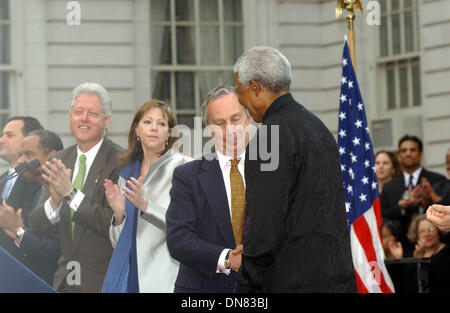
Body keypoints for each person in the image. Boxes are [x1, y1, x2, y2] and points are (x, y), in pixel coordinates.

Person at [232, 46, 357, 292]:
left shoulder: (268, 137)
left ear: (255, 87)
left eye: (239, 91)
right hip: (337, 278)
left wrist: (245, 284)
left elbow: (265, 226)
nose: (239, 99)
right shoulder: (318, 127)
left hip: (291, 281)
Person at [28, 82, 122, 292]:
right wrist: (55, 201)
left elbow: (111, 224)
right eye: (78, 112)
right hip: (65, 280)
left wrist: (70, 193)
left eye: (92, 113)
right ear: (70, 116)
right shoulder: (59, 160)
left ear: (107, 120)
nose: (84, 119)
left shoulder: (121, 160)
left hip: (103, 281)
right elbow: (36, 225)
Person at [166, 86, 251, 292]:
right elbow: (179, 239)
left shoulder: (274, 173)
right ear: (208, 128)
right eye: (220, 123)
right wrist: (227, 259)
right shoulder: (187, 177)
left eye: (235, 119)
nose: (229, 130)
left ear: (249, 120)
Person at [101, 100, 191, 293]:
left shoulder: (185, 169)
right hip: (129, 277)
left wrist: (146, 206)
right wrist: (119, 216)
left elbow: (188, 229)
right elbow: (119, 243)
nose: (154, 128)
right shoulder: (127, 173)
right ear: (136, 129)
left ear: (169, 133)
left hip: (168, 278)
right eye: (148, 122)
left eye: (161, 124)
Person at [0, 129, 63, 284]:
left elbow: (56, 250)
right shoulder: (39, 191)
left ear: (51, 156)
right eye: (20, 154)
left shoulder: (61, 193)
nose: (21, 160)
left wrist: (17, 229)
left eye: (28, 154)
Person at [380, 135, 446, 254]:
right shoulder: (389, 187)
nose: (408, 153)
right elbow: (384, 215)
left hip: (434, 252)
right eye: (404, 150)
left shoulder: (437, 180)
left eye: (412, 150)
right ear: (399, 157)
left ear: (421, 155)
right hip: (400, 251)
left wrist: (426, 203)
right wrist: (402, 207)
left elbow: (445, 211)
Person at [0, 116, 43, 259]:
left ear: (28, 140)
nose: (1, 140)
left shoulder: (38, 179)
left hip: (24, 265)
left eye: (9, 135)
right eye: (2, 135)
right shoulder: (3, 178)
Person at [406, 214, 450, 292]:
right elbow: (413, 286)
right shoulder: (414, 254)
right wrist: (417, 260)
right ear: (417, 235)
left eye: (431, 230)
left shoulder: (447, 252)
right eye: (422, 231)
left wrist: (422, 262)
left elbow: (440, 282)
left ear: (438, 231)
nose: (427, 234)